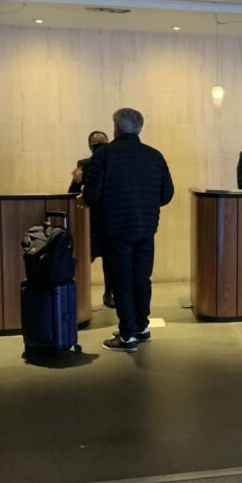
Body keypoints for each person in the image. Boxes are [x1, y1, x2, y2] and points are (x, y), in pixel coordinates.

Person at [83, 108, 174, 352]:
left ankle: (127, 336)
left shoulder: (103, 156)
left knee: (122, 280)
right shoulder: (154, 156)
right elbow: (167, 194)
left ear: (115, 128)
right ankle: (141, 328)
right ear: (139, 129)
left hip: (115, 229)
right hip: (146, 228)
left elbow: (91, 196)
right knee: (142, 278)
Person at [69, 130, 114, 308]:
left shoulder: (114, 163)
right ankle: (79, 293)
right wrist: (76, 180)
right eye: (95, 142)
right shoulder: (84, 164)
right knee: (84, 257)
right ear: (89, 145)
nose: (98, 144)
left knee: (110, 262)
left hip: (110, 218)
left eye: (102, 141)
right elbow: (72, 193)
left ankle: (110, 292)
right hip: (91, 219)